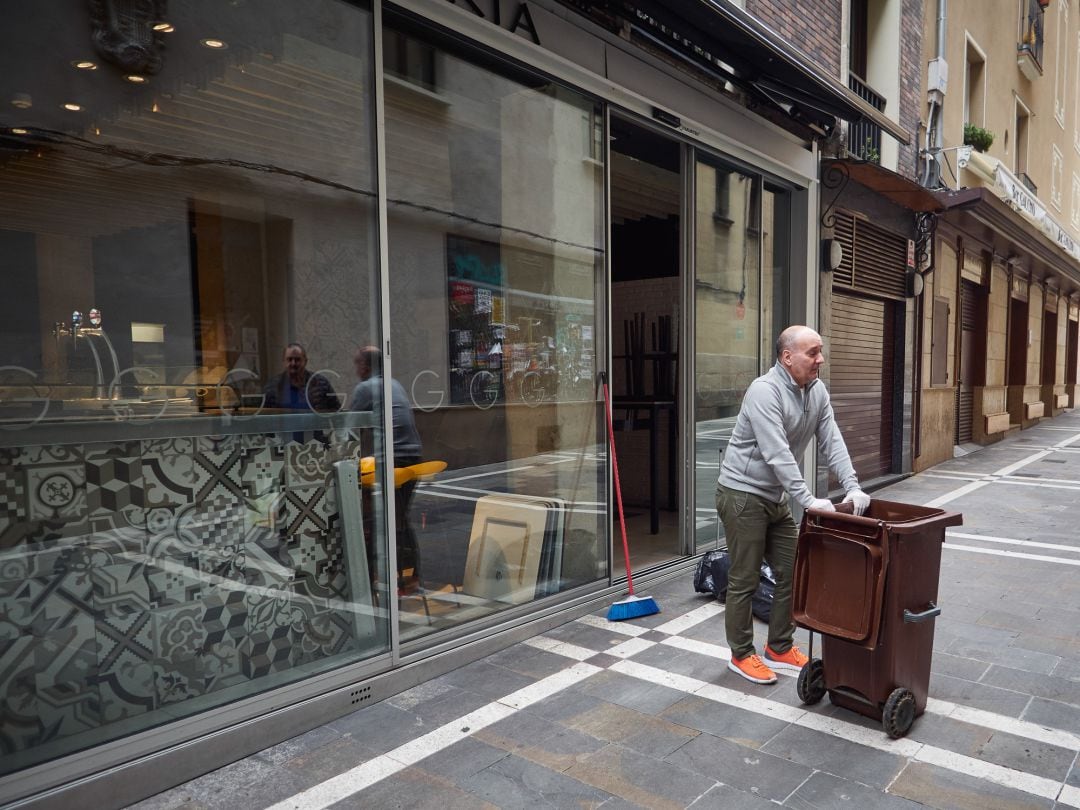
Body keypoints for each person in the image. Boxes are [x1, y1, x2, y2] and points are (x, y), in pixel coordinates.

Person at [717, 325, 870, 685]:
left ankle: (780, 647)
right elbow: (777, 453)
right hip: (742, 495)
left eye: (820, 352)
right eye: (812, 352)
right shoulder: (764, 392)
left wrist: (853, 487)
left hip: (774, 498)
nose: (821, 359)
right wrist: (809, 501)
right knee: (745, 578)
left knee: (794, 569)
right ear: (787, 358)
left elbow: (832, 440)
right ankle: (741, 654)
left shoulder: (816, 391)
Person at [351, 346, 424, 592]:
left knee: (375, 519)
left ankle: (372, 577)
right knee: (399, 518)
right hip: (413, 455)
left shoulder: (365, 388)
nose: (356, 369)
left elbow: (348, 428)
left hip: (394, 459)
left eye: (358, 364)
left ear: (367, 366)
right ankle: (410, 576)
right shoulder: (395, 384)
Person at [263, 342, 338, 444]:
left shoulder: (320, 383)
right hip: (282, 444)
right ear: (284, 362)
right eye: (289, 359)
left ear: (305, 361)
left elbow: (337, 412)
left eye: (297, 359)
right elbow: (265, 419)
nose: (293, 363)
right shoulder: (272, 386)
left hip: (317, 443)